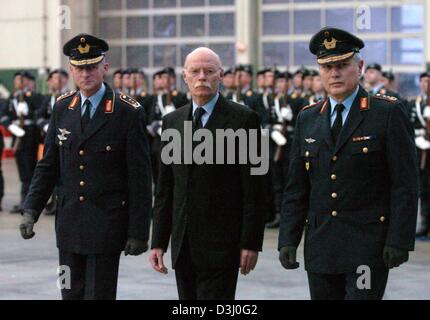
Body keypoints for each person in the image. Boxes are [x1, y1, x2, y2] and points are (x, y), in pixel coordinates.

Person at [278, 27, 418, 300]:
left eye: (342, 65)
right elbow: (296, 188)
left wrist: (399, 240)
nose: (335, 73)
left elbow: (404, 183)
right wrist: (288, 238)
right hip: (321, 245)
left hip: (367, 246)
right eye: (327, 67)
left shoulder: (386, 112)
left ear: (360, 66)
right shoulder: (308, 118)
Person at [19, 33, 152, 300]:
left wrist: (139, 231)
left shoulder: (127, 111)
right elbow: (48, 166)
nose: (86, 73)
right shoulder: (62, 107)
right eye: (79, 68)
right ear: (71, 71)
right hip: (69, 224)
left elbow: (139, 176)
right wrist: (31, 209)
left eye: (91, 66)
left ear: (104, 67)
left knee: (98, 295)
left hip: (107, 223)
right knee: (70, 294)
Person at [149, 47, 265, 300]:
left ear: (221, 75)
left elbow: (256, 189)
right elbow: (165, 189)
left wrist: (251, 242)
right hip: (183, 243)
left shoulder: (244, 120)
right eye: (195, 71)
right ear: (185, 76)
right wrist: (158, 241)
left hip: (223, 244)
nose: (202, 77)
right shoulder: (172, 122)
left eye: (209, 71)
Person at [1, 71, 40, 213]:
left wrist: (28, 108)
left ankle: (29, 202)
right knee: (22, 171)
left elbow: (40, 112)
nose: (19, 83)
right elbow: (4, 114)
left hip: (30, 136)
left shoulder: (34, 96)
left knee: (30, 169)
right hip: (18, 135)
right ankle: (24, 200)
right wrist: (12, 127)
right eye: (17, 80)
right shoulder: (13, 97)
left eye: (22, 80)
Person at [409, 71, 430, 237]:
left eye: (428, 81)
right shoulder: (417, 102)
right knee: (423, 189)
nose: (425, 85)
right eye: (423, 81)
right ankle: (424, 223)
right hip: (422, 151)